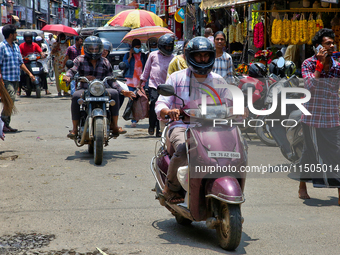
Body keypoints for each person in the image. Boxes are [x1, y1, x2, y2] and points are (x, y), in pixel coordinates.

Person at [155, 37, 240, 203]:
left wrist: (239, 110)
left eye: (206, 56)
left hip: (213, 127)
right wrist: (169, 111)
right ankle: (170, 188)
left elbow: (230, 102)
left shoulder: (218, 80)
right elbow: (161, 103)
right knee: (182, 149)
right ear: (189, 56)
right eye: (199, 55)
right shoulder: (176, 78)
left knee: (235, 146)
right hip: (183, 125)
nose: (203, 59)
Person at [63, 36, 135, 138]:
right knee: (75, 96)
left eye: (96, 49)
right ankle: (74, 129)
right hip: (85, 89)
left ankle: (114, 125)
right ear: (87, 49)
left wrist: (123, 91)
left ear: (100, 49)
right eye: (91, 49)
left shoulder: (105, 61)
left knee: (114, 93)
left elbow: (111, 80)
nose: (94, 51)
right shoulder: (80, 59)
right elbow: (72, 70)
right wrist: (68, 76)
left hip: (102, 89)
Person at [299, 28, 340, 205]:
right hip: (313, 116)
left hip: (332, 115)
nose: (331, 46)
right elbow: (310, 87)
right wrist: (319, 66)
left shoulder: (338, 66)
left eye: (333, 43)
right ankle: (302, 185)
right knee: (310, 153)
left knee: (337, 152)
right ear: (318, 47)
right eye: (327, 43)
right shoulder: (308, 64)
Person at [0, 24, 35, 132]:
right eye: (15, 33)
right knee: (10, 99)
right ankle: (2, 122)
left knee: (10, 102)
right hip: (6, 79)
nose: (16, 35)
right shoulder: (1, 47)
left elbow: (20, 62)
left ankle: (4, 124)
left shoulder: (15, 46)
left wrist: (29, 73)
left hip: (15, 78)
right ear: (11, 35)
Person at [139, 33, 175, 137]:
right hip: (154, 85)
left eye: (170, 46)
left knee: (163, 106)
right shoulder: (153, 55)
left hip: (167, 86)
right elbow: (147, 70)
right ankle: (151, 125)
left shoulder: (173, 57)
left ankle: (159, 129)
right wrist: (142, 82)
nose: (168, 48)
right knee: (154, 104)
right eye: (166, 46)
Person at [122, 39, 147, 128]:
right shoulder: (127, 55)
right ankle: (133, 119)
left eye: (139, 47)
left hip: (141, 81)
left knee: (140, 100)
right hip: (131, 81)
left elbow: (146, 67)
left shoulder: (143, 56)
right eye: (136, 47)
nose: (138, 49)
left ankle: (138, 116)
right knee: (132, 99)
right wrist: (130, 56)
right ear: (132, 47)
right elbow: (125, 66)